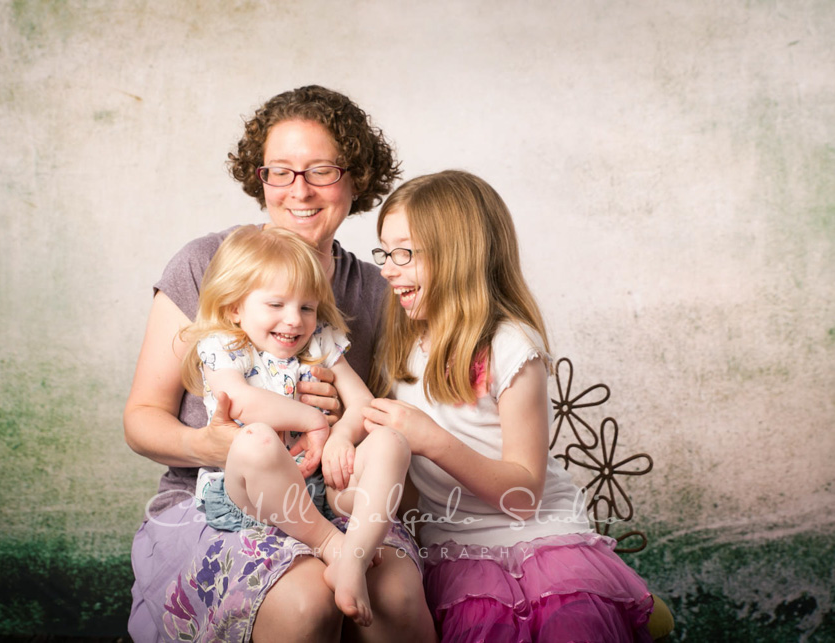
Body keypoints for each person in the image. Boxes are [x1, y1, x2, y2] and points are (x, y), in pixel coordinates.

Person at [124, 85, 435, 642]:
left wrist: (343, 426)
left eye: (321, 170)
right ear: (258, 176)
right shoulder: (205, 265)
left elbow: (397, 438)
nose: (300, 190)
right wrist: (212, 443)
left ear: (356, 176)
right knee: (304, 603)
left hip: (332, 491)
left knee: (395, 593)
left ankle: (344, 554)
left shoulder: (377, 289)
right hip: (223, 494)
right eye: (280, 171)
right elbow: (142, 419)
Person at [362, 170, 655, 642]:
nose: (387, 268)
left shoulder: (511, 346)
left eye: (404, 253)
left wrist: (432, 440)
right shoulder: (402, 345)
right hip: (457, 551)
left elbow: (522, 499)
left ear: (459, 254)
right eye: (385, 252)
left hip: (540, 540)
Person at [180, 225, 412, 628]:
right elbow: (243, 401)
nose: (295, 320)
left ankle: (353, 557)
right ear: (235, 307)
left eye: (307, 307)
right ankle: (328, 543)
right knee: (257, 440)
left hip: (319, 490)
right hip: (253, 499)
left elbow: (361, 403)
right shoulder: (223, 344)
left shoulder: (318, 338)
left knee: (390, 440)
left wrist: (340, 435)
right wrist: (314, 421)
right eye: (276, 304)